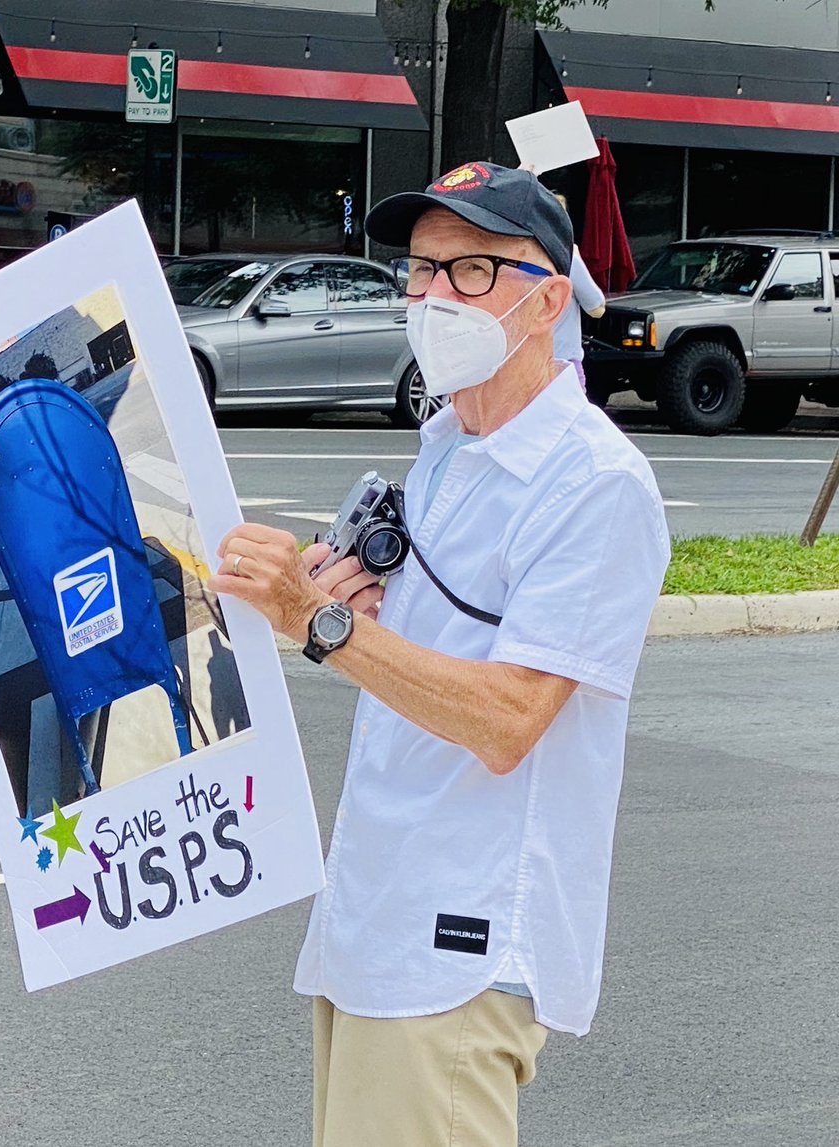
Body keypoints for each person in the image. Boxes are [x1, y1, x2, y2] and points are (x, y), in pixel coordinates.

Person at [208, 161, 670, 1147]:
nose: (428, 296)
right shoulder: (446, 449)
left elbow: (508, 720)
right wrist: (343, 607)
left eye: (468, 271)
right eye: (419, 270)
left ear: (548, 299)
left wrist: (323, 625)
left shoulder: (594, 486)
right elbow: (402, 651)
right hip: (372, 924)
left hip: (456, 948)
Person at [550, 193, 607, 388]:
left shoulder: (515, 259)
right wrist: (577, 257)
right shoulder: (567, 260)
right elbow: (596, 307)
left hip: (520, 363)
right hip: (562, 361)